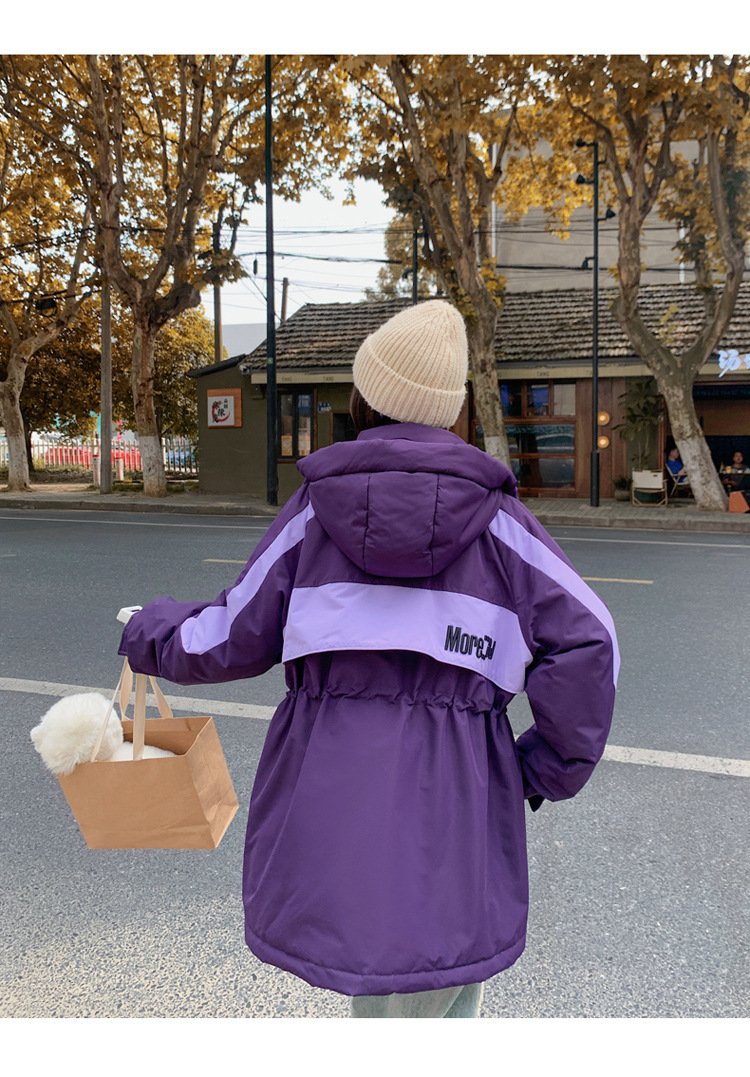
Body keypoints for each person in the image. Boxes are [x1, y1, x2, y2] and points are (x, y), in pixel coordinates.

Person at [118, 300, 619, 1019]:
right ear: (450, 411)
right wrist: (541, 769)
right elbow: (591, 640)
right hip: (462, 794)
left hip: (330, 786)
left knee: (382, 1012)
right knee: (446, 985)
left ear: (365, 397)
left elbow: (228, 634)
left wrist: (150, 631)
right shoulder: (503, 528)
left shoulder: (313, 514)